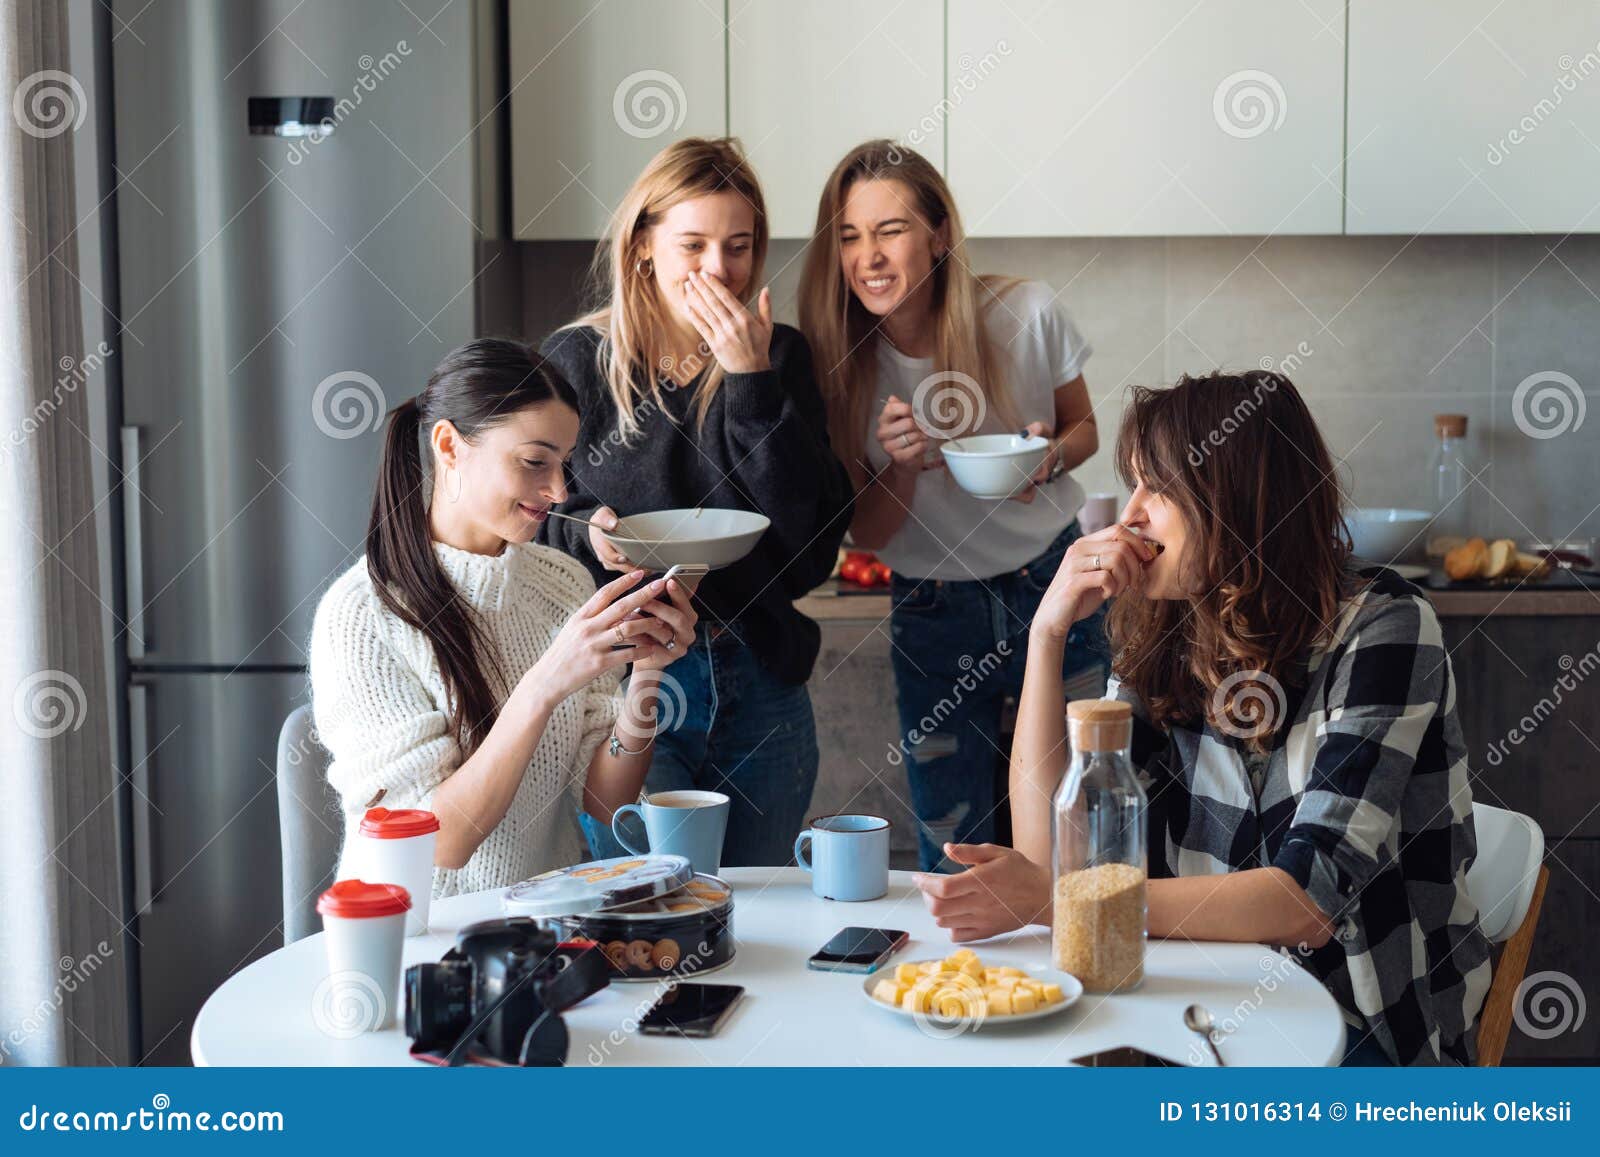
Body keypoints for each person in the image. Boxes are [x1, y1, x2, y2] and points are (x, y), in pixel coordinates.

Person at [914, 369, 1492, 1066]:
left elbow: (1306, 902)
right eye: (1131, 486)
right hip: (1198, 999)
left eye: (1156, 490)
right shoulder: (1168, 632)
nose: (1129, 516)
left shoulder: (1388, 631)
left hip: (1366, 1024)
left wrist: (1062, 903)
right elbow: (1048, 848)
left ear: (1237, 501)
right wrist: (1046, 633)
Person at [539, 137, 854, 867]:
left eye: (739, 246)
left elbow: (809, 553)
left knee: (760, 915)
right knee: (651, 903)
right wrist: (593, 534)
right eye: (694, 244)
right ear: (644, 245)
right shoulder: (578, 362)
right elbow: (534, 522)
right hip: (630, 680)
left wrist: (750, 378)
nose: (720, 269)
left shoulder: (781, 360)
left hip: (762, 683)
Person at [798, 140, 1108, 871]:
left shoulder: (1026, 312)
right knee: (955, 843)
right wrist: (900, 471)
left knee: (1084, 827)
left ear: (938, 234)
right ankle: (973, 988)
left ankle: (1088, 978)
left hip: (1053, 584)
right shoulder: (841, 364)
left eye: (890, 229)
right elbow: (866, 533)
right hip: (934, 611)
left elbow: (1083, 428)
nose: (867, 256)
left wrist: (1048, 453)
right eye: (849, 236)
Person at [310, 339, 697, 898]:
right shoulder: (361, 616)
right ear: (449, 445)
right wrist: (544, 683)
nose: (560, 491)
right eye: (534, 462)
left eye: (563, 465)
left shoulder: (563, 582)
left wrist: (648, 672)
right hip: (412, 942)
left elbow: (606, 800)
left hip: (538, 932)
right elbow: (440, 845)